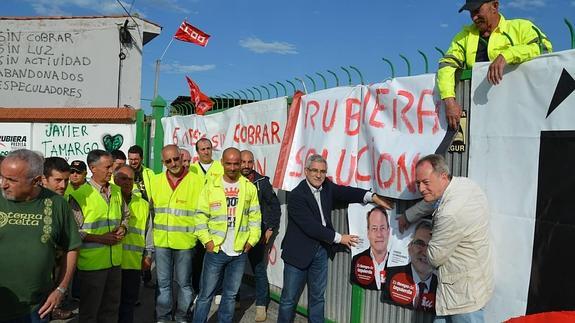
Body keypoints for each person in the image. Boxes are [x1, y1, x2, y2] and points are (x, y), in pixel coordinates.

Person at [278, 154, 393, 323]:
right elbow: (311, 227)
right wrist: (340, 238)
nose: (319, 175)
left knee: (318, 297)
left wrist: (372, 196)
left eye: (323, 171)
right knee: (288, 299)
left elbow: (346, 192)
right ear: (306, 171)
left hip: (320, 251)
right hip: (298, 254)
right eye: (315, 171)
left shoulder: (327, 187)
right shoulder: (297, 195)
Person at [438, 0, 552, 130]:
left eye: (477, 11)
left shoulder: (521, 27)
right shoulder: (464, 36)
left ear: (495, 6)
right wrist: (449, 101)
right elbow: (446, 65)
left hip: (520, 114)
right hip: (480, 118)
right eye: (471, 13)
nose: (474, 17)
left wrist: (507, 55)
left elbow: (544, 48)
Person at [0, 149, 81, 322]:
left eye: (11, 180)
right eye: (2, 177)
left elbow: (72, 248)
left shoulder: (58, 205)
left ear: (36, 181)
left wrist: (61, 289)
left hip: (37, 308)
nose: (3, 184)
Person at [414, 154, 493, 322]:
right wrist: (409, 215)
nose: (420, 189)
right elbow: (432, 200)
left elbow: (435, 258)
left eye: (425, 182)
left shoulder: (450, 212)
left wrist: (428, 242)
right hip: (469, 285)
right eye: (417, 183)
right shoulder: (465, 185)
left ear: (443, 176)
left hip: (463, 298)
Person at [193, 147, 261, 323]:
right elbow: (200, 216)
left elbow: (255, 216)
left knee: (230, 297)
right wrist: (207, 241)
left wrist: (252, 241)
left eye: (236, 163)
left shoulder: (248, 188)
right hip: (216, 250)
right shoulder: (212, 186)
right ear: (222, 163)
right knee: (205, 296)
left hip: (238, 252)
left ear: (240, 164)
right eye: (228, 163)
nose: (232, 167)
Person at [69, 149, 130, 323]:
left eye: (112, 166)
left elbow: (126, 215)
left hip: (115, 263)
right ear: (92, 168)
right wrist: (100, 239)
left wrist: (123, 229)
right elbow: (73, 232)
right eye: (108, 167)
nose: (112, 171)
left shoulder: (117, 191)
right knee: (89, 312)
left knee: (111, 309)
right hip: (92, 266)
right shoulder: (80, 196)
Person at [150, 144, 203, 323]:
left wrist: (196, 237)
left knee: (184, 285)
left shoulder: (197, 181)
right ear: (163, 162)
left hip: (185, 243)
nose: (173, 163)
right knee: (163, 285)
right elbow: (150, 212)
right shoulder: (155, 181)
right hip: (161, 242)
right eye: (168, 161)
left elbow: (203, 213)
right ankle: (163, 318)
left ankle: (181, 317)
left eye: (176, 159)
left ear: (181, 157)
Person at [240, 150, 281, 321]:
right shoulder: (231, 181)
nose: (247, 165)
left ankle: (261, 305)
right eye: (243, 162)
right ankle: (233, 299)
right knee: (233, 268)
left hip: (257, 234)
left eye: (250, 162)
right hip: (236, 234)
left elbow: (274, 206)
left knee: (258, 269)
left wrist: (270, 228)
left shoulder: (262, 182)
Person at [114, 165, 153, 323]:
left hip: (132, 263)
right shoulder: (109, 201)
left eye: (131, 179)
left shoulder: (142, 204)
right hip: (112, 263)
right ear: (115, 180)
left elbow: (148, 232)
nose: (128, 182)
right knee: (111, 305)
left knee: (128, 305)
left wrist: (148, 255)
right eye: (123, 178)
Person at [42, 156, 76, 320]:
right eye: (58, 180)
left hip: (53, 272)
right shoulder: (27, 201)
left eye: (66, 180)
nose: (63, 185)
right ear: (43, 179)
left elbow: (71, 245)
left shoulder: (62, 204)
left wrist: (60, 288)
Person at [381, 221, 438, 313]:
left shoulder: (442, 288)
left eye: (432, 247)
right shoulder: (392, 275)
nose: (425, 252)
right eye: (420, 243)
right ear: (409, 247)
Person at [350, 206, 390, 290]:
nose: (379, 234)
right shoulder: (357, 261)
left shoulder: (398, 265)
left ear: (388, 231)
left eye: (382, 228)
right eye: (374, 229)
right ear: (368, 233)